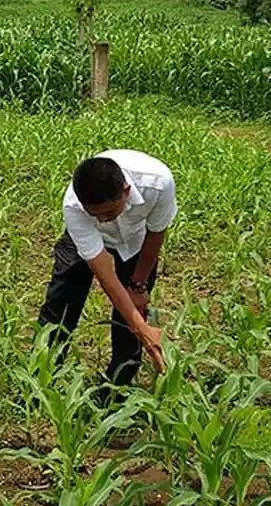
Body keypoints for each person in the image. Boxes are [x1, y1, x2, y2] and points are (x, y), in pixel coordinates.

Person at [38, 150, 176, 399]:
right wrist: (142, 327)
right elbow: (106, 276)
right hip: (83, 243)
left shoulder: (158, 183)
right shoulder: (74, 206)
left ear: (125, 191)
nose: (102, 220)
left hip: (137, 240)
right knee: (61, 302)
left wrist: (139, 286)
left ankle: (116, 390)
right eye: (95, 215)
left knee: (129, 320)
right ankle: (41, 379)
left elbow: (156, 233)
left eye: (109, 212)